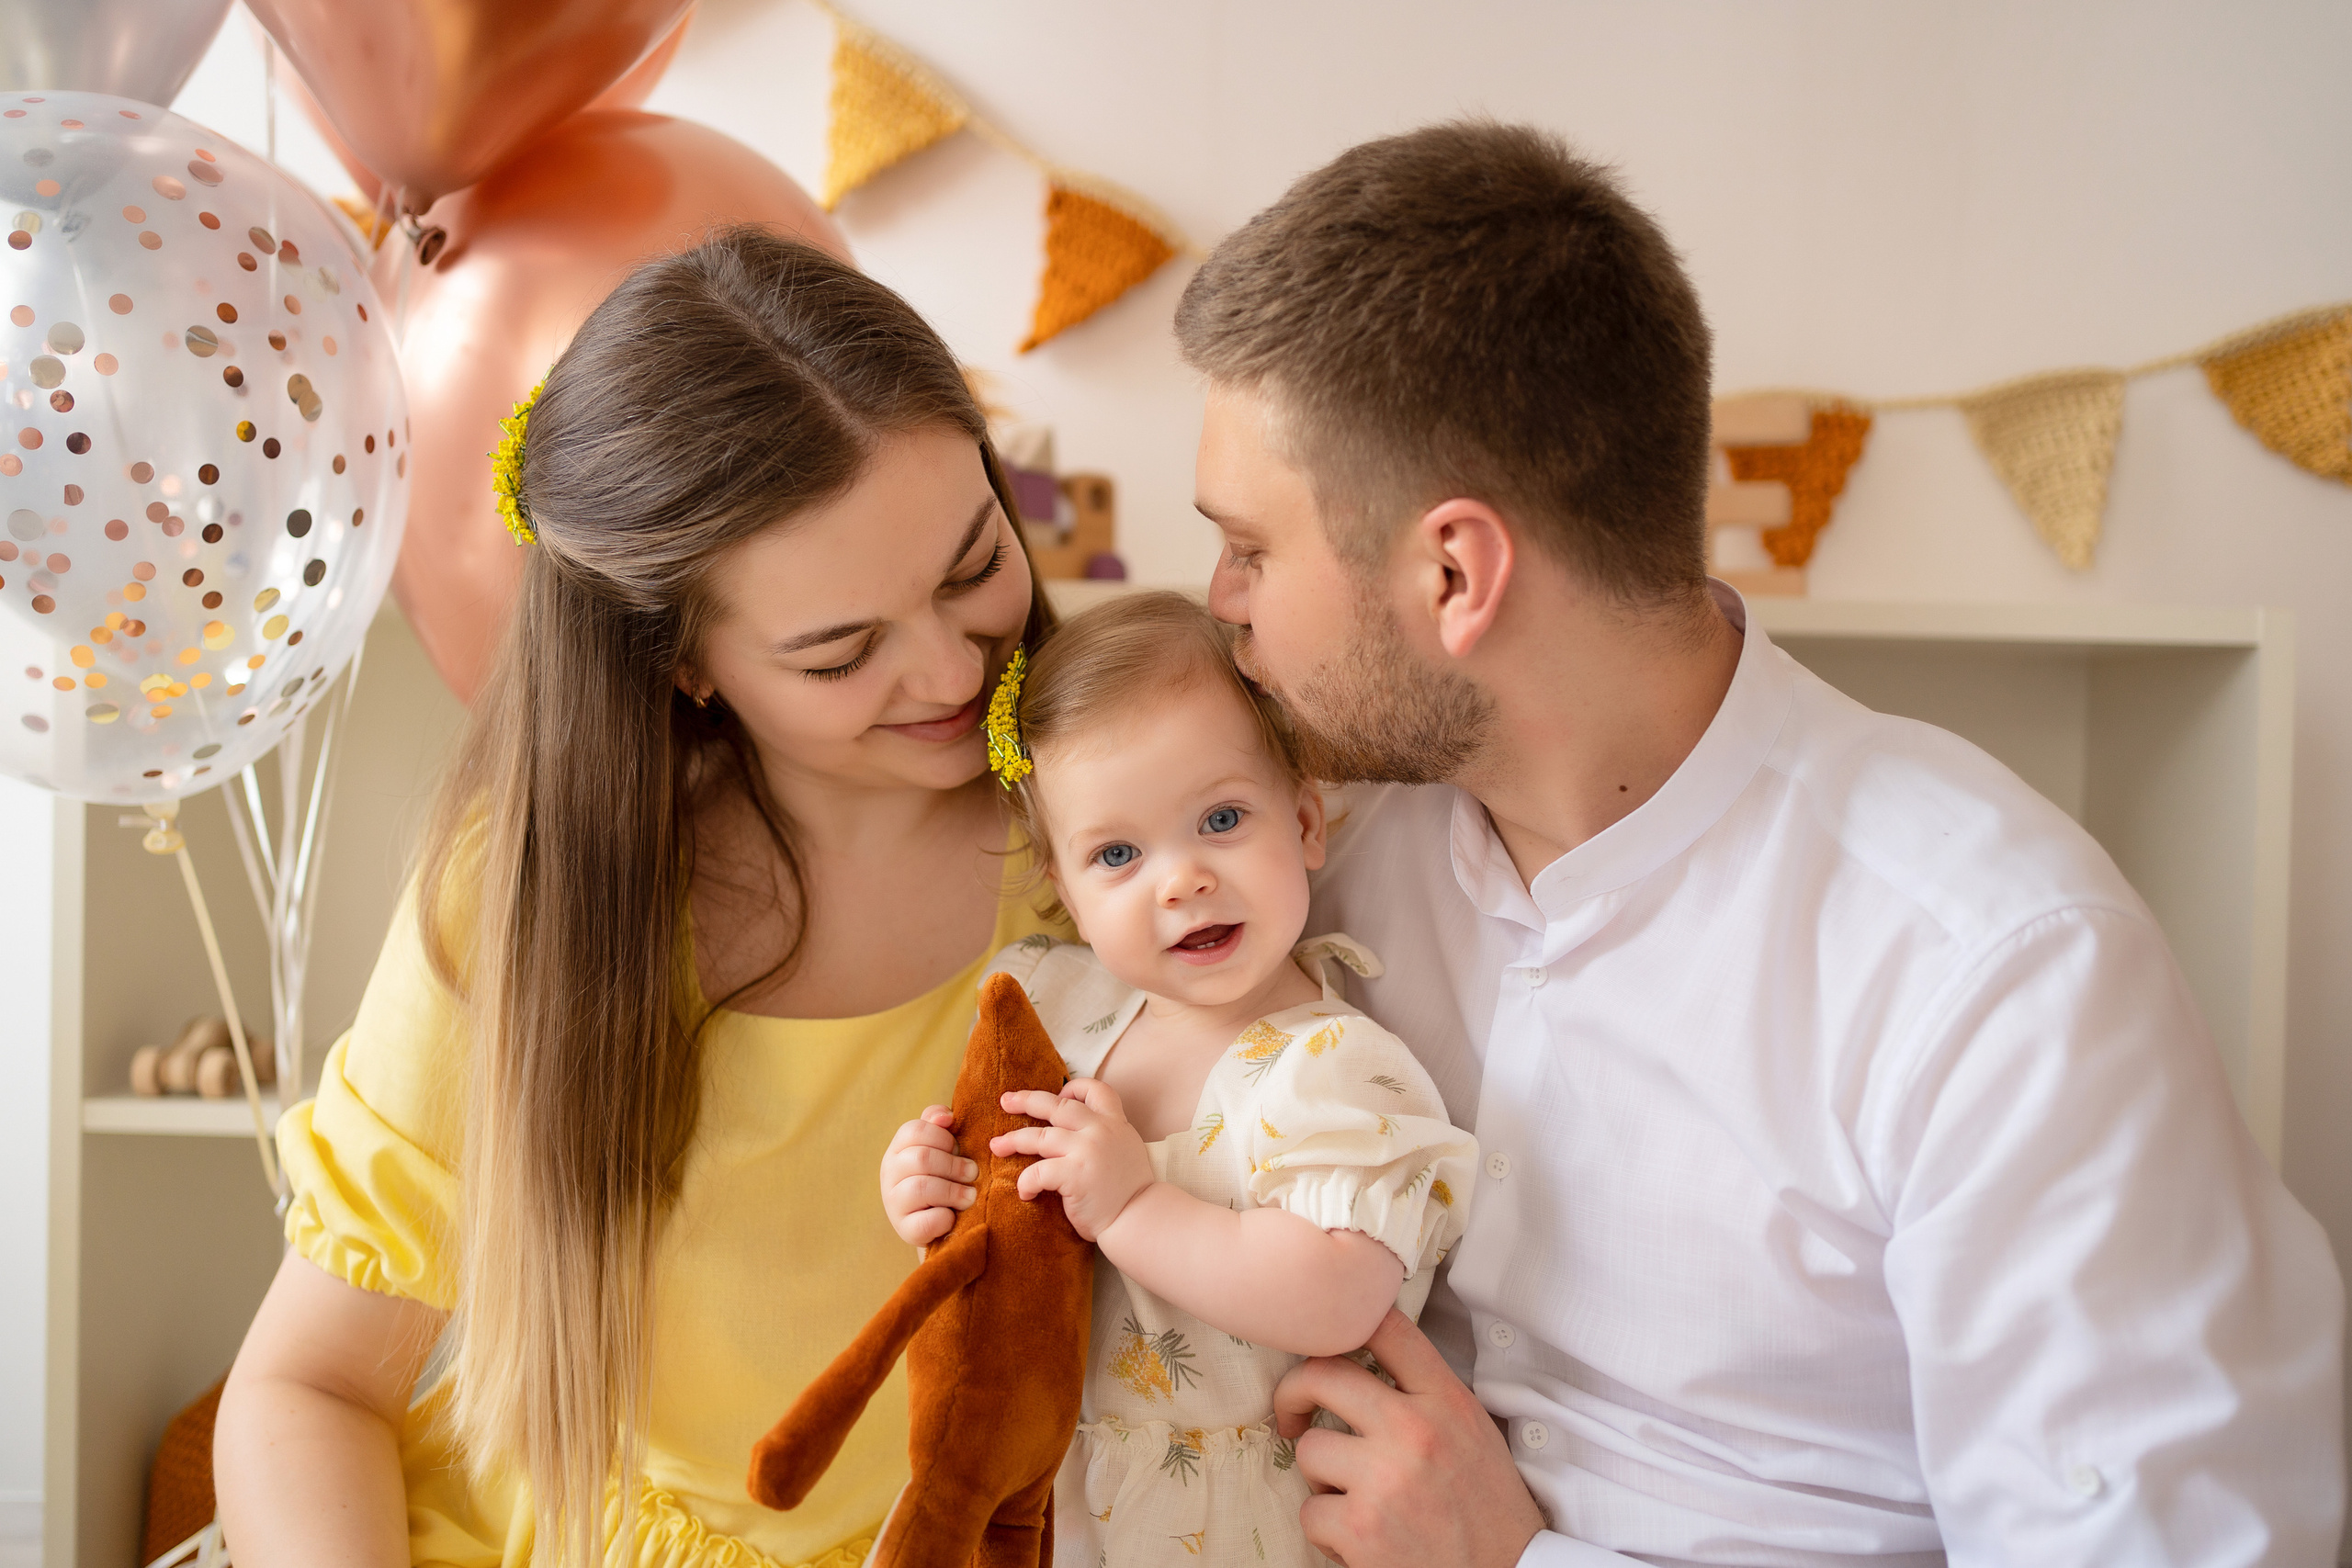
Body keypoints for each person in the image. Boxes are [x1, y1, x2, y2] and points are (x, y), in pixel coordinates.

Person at [1174, 120, 2346, 1566]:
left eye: (1250, 545)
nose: (1218, 596)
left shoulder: (1991, 967)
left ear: (1454, 573)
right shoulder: (1321, 848)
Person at [214, 228, 1065, 1568]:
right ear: (684, 662)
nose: (957, 667)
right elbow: (307, 1387)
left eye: (974, 566)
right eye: (843, 650)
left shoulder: (1138, 838)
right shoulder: (527, 895)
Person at [882, 592, 1477, 1568]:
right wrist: (927, 1193)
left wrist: (1131, 1210)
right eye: (1117, 853)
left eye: (1220, 818)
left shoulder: (1326, 1070)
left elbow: (1339, 1297)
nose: (1180, 880)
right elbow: (1003, 1217)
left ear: (1304, 824)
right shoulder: (1053, 1011)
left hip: (1241, 1519)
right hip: (1061, 1496)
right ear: (1064, 890)